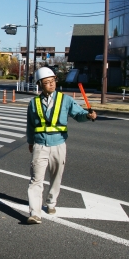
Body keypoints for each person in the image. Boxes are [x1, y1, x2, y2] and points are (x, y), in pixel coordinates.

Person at [25, 67, 96, 224]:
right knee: (36, 179)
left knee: (56, 177)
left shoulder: (65, 100)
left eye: (53, 81)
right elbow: (30, 124)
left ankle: (51, 202)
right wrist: (30, 141)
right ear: (39, 84)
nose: (51, 84)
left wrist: (88, 115)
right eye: (46, 82)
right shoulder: (34, 103)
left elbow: (78, 114)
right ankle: (35, 213)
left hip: (59, 144)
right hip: (40, 144)